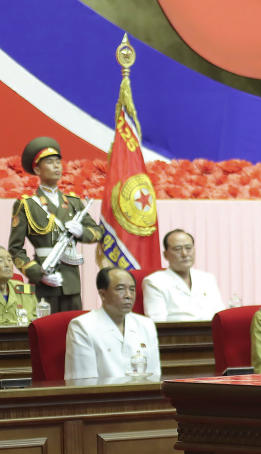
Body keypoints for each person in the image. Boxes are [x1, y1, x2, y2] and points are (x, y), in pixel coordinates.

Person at [8, 137, 103, 313]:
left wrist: (82, 232)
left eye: (58, 162)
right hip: (44, 280)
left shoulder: (74, 202)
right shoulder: (27, 205)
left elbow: (98, 232)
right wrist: (38, 274)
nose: (57, 166)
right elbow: (15, 249)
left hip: (71, 281)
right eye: (50, 162)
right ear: (37, 169)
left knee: (73, 330)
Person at [64, 267, 160, 380]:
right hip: (103, 396)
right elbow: (84, 382)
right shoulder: (82, 327)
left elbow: (155, 376)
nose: (128, 295)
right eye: (120, 289)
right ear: (102, 294)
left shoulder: (146, 325)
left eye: (132, 289)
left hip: (143, 395)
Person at [142, 229, 225, 321]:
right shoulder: (154, 282)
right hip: (175, 334)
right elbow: (156, 323)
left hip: (210, 333)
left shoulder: (207, 279)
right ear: (165, 254)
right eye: (177, 249)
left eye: (188, 248)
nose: (184, 254)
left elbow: (220, 315)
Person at [0, 246, 38, 326]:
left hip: (24, 337)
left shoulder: (25, 290)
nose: (7, 265)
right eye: (1, 261)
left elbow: (38, 320)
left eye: (9, 260)